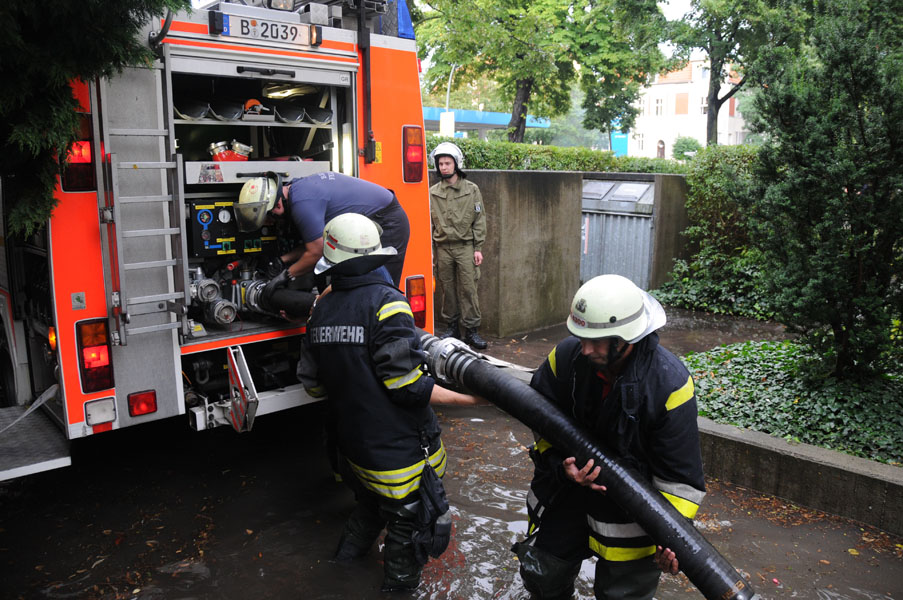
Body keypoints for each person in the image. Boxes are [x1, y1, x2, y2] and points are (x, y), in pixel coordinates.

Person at [296, 213, 480, 592]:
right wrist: (470, 398)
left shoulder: (320, 313)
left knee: (370, 508)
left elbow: (313, 387)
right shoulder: (389, 304)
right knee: (409, 527)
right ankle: (397, 590)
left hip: (353, 450)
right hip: (399, 456)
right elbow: (407, 387)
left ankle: (340, 569)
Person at [512, 274, 706, 600]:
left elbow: (681, 483)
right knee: (544, 576)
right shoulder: (567, 358)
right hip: (568, 493)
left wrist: (672, 540)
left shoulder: (668, 386)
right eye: (580, 336)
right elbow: (540, 420)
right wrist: (562, 466)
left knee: (623, 594)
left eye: (597, 341)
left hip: (632, 515)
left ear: (627, 338)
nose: (584, 349)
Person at [234, 170, 410, 289]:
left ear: (278, 205)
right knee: (355, 285)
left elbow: (317, 251)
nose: (270, 223)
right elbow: (316, 241)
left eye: (268, 218)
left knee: (379, 287)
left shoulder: (302, 204)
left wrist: (285, 276)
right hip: (370, 220)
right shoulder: (298, 191)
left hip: (387, 222)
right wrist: (282, 260)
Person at [428, 142, 488, 350]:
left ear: (456, 164)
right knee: (447, 289)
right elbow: (428, 221)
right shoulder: (433, 192)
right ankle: (452, 327)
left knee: (469, 288)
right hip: (443, 248)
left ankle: (471, 330)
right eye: (440, 163)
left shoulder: (472, 190)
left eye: (447, 163)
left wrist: (478, 247)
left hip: (465, 247)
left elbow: (479, 219)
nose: (443, 167)